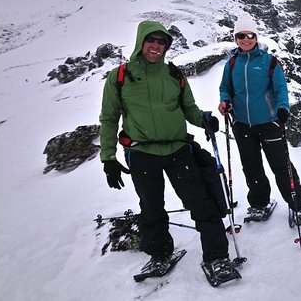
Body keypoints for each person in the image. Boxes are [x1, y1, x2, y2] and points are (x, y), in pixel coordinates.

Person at [99, 20, 239, 284]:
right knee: (151, 208)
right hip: (141, 154)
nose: (156, 46)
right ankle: (160, 254)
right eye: (151, 40)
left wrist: (204, 120)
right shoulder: (119, 77)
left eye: (161, 42)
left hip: (178, 150)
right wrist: (108, 158)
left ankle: (217, 258)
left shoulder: (174, 75)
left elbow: (189, 109)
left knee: (202, 204)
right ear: (141, 42)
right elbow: (109, 118)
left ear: (166, 47)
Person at [217, 14, 301, 226]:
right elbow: (225, 88)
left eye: (250, 35)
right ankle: (260, 203)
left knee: (281, 166)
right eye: (241, 35)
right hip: (242, 123)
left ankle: (299, 206)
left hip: (269, 122)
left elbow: (280, 88)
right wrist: (225, 101)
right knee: (251, 167)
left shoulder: (269, 61)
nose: (245, 39)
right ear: (236, 38)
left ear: (256, 36)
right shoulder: (232, 63)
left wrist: (282, 109)